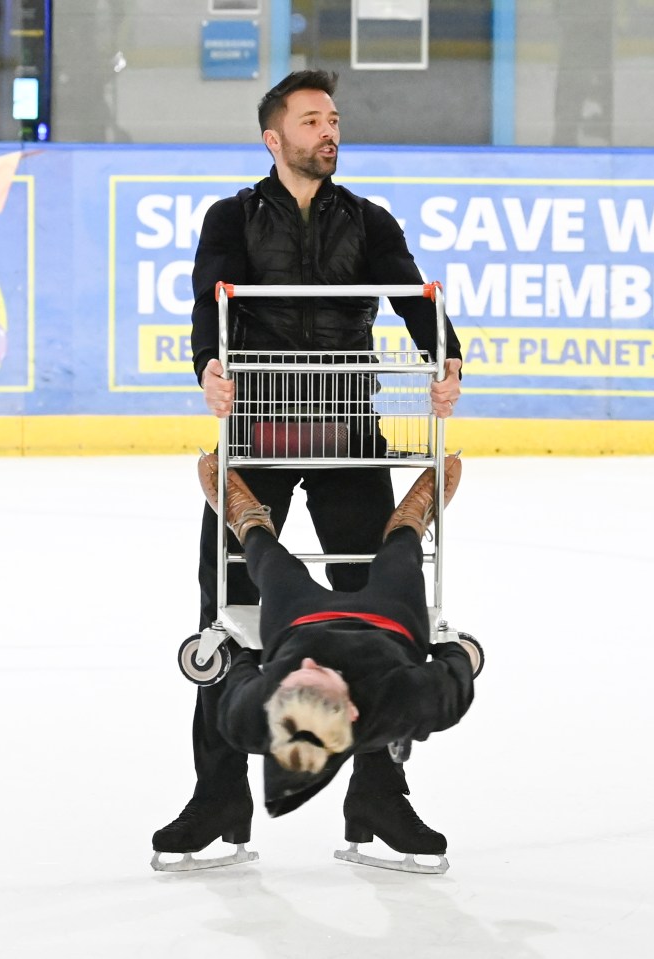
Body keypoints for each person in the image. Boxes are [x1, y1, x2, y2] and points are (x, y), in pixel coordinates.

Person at [153, 69, 463, 865]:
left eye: (334, 119)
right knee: (225, 611)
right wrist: (209, 368)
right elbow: (205, 302)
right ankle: (217, 796)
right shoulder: (231, 217)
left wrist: (446, 353)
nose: (329, 131)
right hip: (257, 432)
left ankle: (377, 799)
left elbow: (413, 298)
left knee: (380, 620)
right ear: (274, 137)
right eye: (312, 120)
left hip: (346, 432)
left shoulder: (368, 218)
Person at [195, 451, 477, 828]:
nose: (309, 663)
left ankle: (248, 522)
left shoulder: (250, 716)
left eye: (291, 677)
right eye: (320, 675)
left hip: (301, 620)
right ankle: (409, 522)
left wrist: (242, 648)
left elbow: (241, 665)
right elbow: (458, 677)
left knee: (271, 563)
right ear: (355, 711)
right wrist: (448, 646)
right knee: (398, 557)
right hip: (386, 620)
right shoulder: (401, 704)